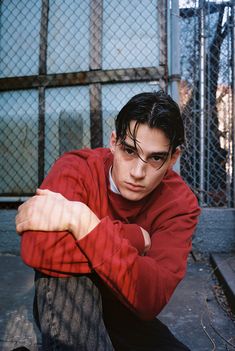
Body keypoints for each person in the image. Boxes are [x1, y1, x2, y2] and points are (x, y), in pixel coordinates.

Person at [16, 91, 200, 351]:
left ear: (173, 158)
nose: (138, 173)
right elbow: (39, 248)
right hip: (66, 293)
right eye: (129, 151)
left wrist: (79, 221)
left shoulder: (180, 204)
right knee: (64, 279)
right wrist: (135, 237)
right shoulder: (77, 168)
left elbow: (150, 295)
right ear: (113, 142)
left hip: (124, 303)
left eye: (156, 158)